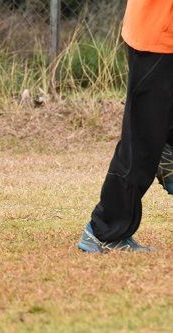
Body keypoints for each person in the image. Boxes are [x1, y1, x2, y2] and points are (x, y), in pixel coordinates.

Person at [78, 0, 173, 253]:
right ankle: (104, 232)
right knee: (141, 142)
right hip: (160, 35)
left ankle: (167, 153)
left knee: (153, 134)